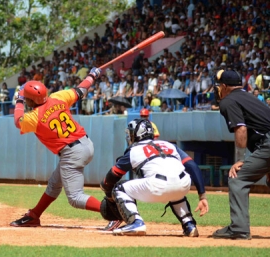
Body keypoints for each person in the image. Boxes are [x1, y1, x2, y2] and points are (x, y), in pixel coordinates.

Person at [10, 67, 103, 227]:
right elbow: (81, 90)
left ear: (31, 101)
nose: (25, 100)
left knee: (75, 197)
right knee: (54, 183)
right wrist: (91, 76)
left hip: (72, 152)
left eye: (27, 98)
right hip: (85, 143)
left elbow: (18, 121)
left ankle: (114, 211)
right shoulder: (58, 97)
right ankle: (34, 215)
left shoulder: (34, 117)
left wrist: (19, 100)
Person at [99, 119, 208, 236]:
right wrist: (202, 196)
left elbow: (113, 175)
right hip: (183, 184)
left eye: (131, 133)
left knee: (118, 188)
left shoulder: (134, 150)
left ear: (137, 134)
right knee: (175, 186)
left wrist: (106, 188)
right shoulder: (169, 145)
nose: (129, 136)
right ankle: (189, 224)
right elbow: (192, 166)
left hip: (157, 185)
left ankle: (136, 222)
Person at [212, 70, 270, 240]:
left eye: (219, 85)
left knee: (237, 178)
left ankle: (239, 228)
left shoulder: (228, 101)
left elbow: (241, 129)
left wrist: (239, 160)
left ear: (224, 86)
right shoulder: (251, 97)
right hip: (266, 144)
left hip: (267, 143)